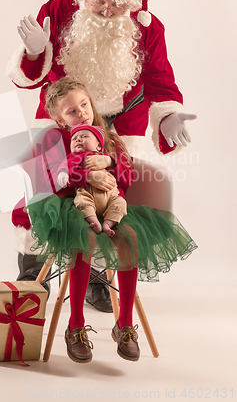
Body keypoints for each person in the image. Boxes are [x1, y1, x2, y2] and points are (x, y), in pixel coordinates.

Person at [6, 0, 197, 311]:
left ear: (132, 1)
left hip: (122, 125)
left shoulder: (149, 28)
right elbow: (30, 79)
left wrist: (168, 114)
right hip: (61, 119)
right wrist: (33, 53)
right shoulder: (59, 10)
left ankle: (97, 278)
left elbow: (159, 79)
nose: (107, 10)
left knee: (110, 197)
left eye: (117, 4)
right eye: (98, 1)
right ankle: (32, 272)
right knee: (42, 191)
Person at [24, 77, 197, 363]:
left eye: (84, 105)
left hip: (110, 204)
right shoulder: (54, 138)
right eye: (72, 111)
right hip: (69, 205)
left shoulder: (109, 137)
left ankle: (125, 324)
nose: (82, 113)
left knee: (129, 237)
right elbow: (55, 180)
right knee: (86, 237)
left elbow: (127, 180)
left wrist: (112, 165)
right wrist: (85, 175)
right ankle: (76, 325)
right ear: (58, 118)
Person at [57, 124, 128, 237]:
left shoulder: (105, 157)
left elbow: (124, 174)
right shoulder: (73, 157)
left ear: (98, 146)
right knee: (81, 202)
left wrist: (111, 161)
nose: (78, 139)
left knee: (121, 203)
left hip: (111, 196)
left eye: (84, 136)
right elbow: (65, 167)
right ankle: (93, 221)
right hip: (87, 193)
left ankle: (108, 223)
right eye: (74, 139)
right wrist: (63, 174)